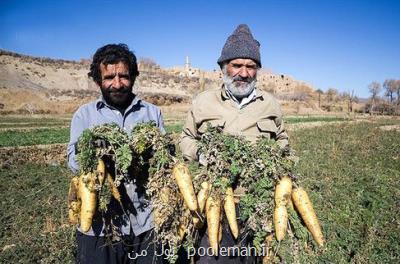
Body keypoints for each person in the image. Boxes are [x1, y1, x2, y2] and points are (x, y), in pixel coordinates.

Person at [179, 24, 289, 263]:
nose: (244, 73)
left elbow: (283, 140)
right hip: (213, 204)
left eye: (251, 66)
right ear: (223, 67)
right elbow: (186, 139)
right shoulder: (203, 102)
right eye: (237, 65)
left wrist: (273, 159)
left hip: (259, 206)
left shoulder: (270, 104)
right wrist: (203, 154)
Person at [67, 43, 166, 264]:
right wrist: (91, 151)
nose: (118, 84)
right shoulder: (84, 115)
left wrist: (159, 153)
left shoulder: (152, 112)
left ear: (133, 77)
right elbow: (73, 162)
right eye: (109, 77)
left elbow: (164, 163)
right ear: (97, 80)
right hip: (100, 226)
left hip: (146, 222)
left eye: (124, 76)